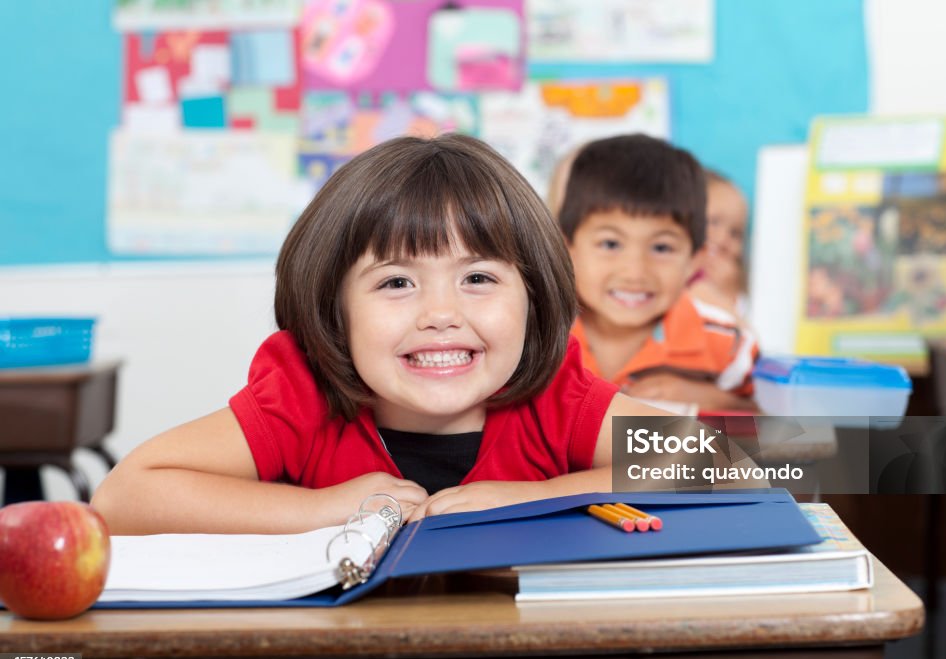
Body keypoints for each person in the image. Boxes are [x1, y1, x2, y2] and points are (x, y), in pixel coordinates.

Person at [92, 134, 697, 536]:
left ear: (535, 299)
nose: (440, 313)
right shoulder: (305, 397)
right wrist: (322, 509)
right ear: (334, 308)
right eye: (396, 283)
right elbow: (122, 498)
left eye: (479, 277)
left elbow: (759, 460)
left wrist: (532, 498)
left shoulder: (554, 400)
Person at [559, 135, 758, 412]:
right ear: (567, 249)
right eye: (610, 244)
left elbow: (775, 428)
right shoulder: (535, 338)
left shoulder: (728, 345)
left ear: (693, 261)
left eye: (662, 247)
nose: (635, 272)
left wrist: (712, 399)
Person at [688, 170, 751, 321]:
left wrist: (728, 292)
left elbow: (742, 328)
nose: (723, 239)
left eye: (735, 233)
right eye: (714, 222)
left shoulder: (735, 283)